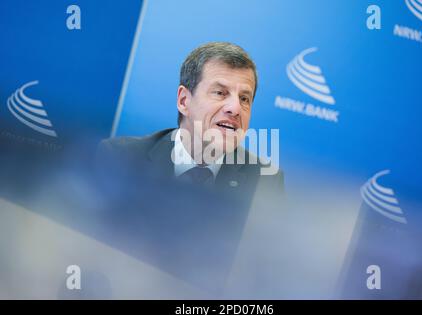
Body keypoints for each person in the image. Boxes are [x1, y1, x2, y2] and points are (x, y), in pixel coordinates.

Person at [95, 42, 284, 291]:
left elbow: (260, 283)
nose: (235, 108)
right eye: (220, 92)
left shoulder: (265, 181)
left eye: (244, 98)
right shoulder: (121, 158)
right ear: (184, 100)